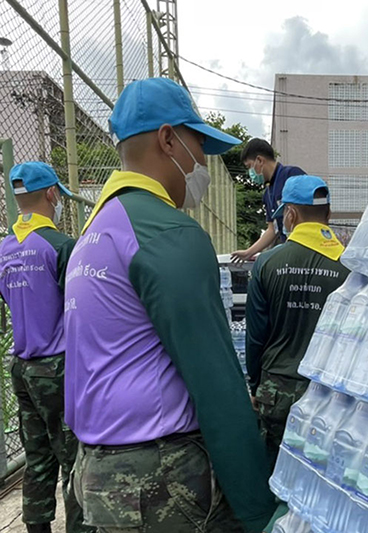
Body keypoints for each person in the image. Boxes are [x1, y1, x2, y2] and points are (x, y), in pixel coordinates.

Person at [63, 78, 275, 533]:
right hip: (160, 483)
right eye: (199, 145)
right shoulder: (167, 233)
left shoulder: (94, 234)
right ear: (168, 139)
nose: (202, 163)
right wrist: (259, 510)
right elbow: (217, 387)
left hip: (98, 474)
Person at [0, 162, 93, 533]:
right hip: (59, 368)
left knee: (37, 457)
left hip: (22, 366)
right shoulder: (61, 246)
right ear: (53, 193)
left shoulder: (5, 249)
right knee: (73, 459)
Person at [246, 175, 349, 464]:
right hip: (330, 395)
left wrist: (256, 385)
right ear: (328, 214)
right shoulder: (349, 267)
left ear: (290, 214)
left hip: (276, 392)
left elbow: (255, 336)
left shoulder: (268, 263)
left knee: (275, 474)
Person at [231, 139, 306, 261]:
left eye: (249, 166)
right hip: (287, 249)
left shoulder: (291, 175)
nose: (250, 173)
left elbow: (310, 212)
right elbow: (272, 229)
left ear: (259, 160)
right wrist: (248, 252)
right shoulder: (267, 193)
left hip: (303, 248)